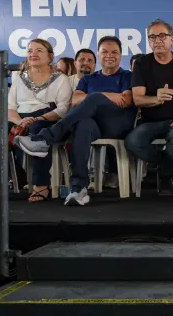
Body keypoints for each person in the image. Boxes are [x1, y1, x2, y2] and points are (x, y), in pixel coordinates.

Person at [14, 36, 135, 206]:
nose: (109, 55)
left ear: (121, 55)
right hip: (94, 125)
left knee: (93, 100)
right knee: (82, 125)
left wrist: (96, 97)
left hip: (117, 124)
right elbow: (76, 100)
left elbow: (126, 100)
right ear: (99, 55)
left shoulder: (127, 76)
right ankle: (79, 189)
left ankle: (44, 138)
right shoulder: (88, 79)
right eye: (105, 51)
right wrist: (108, 97)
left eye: (114, 52)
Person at [0, 38, 73, 203]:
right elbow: (10, 106)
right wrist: (19, 121)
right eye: (30, 50)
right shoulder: (18, 76)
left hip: (46, 116)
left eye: (39, 50)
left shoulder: (60, 79)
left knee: (38, 129)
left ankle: (41, 185)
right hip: (19, 116)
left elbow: (63, 109)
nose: (33, 54)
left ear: (50, 56)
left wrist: (39, 118)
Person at [126, 19, 173, 195]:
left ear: (172, 40)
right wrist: (156, 99)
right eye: (152, 37)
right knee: (132, 142)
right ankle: (172, 169)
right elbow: (137, 99)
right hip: (150, 122)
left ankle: (165, 178)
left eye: (162, 36)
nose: (157, 40)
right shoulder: (141, 64)